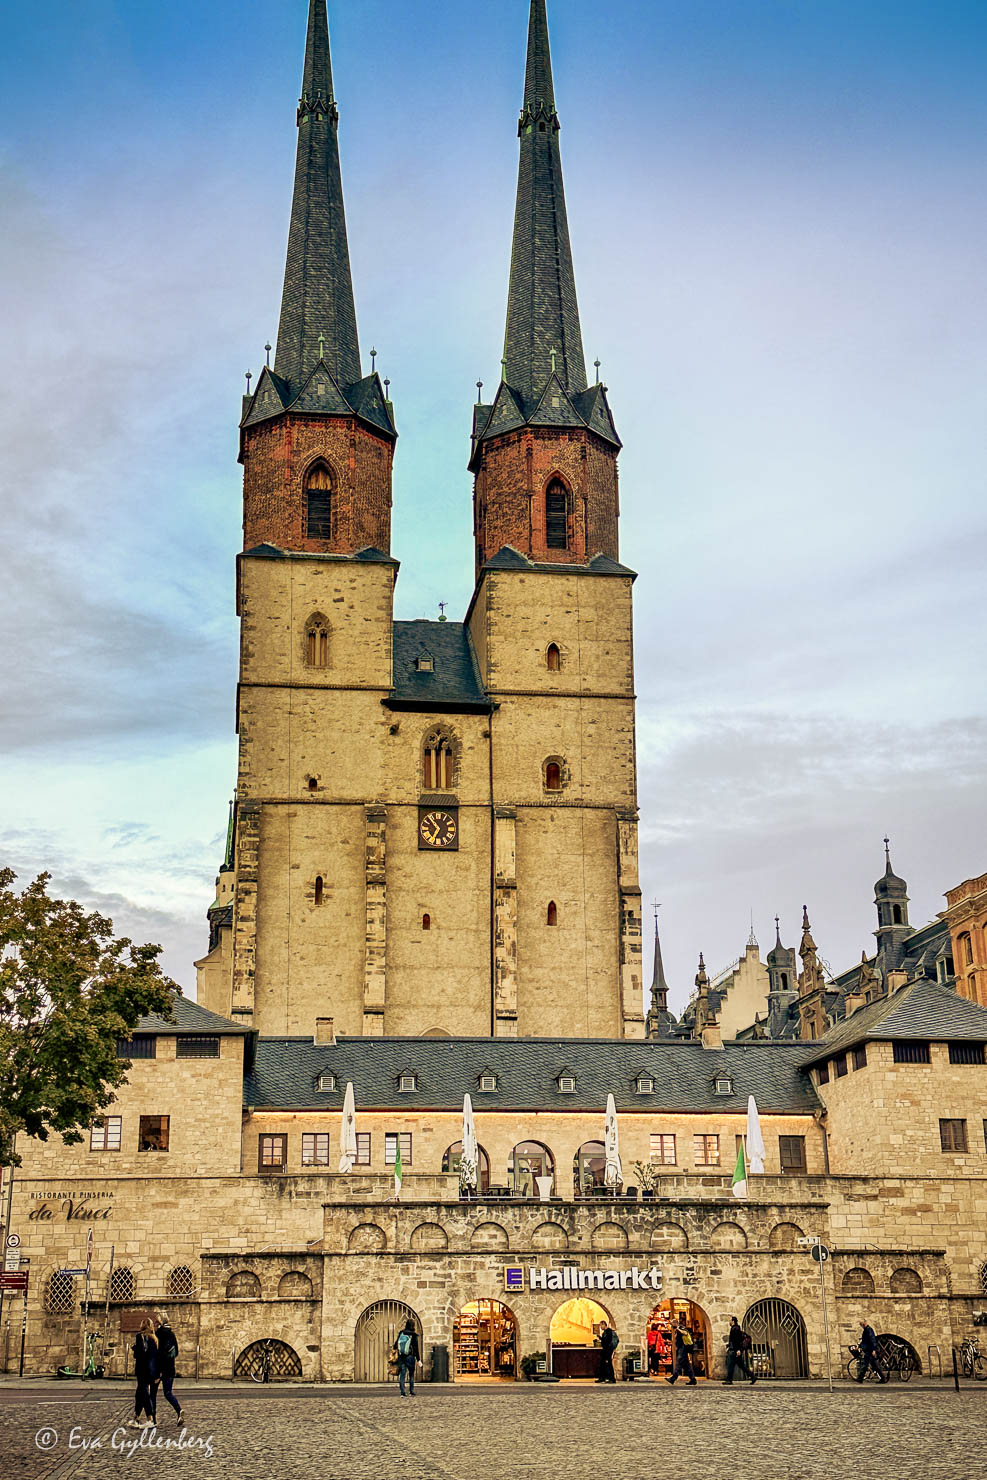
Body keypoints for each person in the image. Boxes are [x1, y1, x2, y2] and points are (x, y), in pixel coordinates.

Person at [129, 1318, 159, 1428]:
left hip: (142, 1369)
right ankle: (136, 1417)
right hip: (151, 1370)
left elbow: (139, 1354)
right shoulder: (154, 1338)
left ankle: (150, 1418)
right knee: (140, 1394)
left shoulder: (140, 1337)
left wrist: (135, 1349)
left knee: (144, 1393)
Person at [155, 1318, 183, 1424]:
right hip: (170, 1368)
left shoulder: (158, 1335)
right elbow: (175, 1352)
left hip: (158, 1369)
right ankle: (179, 1410)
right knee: (168, 1392)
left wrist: (159, 1371)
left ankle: (152, 1418)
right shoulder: (172, 1335)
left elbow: (158, 1353)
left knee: (152, 1394)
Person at [724, 1316, 756, 1385]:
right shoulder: (735, 1328)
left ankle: (729, 1380)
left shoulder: (735, 1329)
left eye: (730, 1321)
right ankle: (752, 1376)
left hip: (735, 1351)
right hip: (735, 1350)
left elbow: (737, 1340)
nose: (729, 1322)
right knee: (741, 1366)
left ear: (733, 1321)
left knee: (731, 1365)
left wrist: (738, 1350)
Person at [665, 1320, 697, 1385]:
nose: (671, 1326)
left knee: (678, 1363)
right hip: (681, 1348)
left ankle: (673, 1378)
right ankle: (693, 1379)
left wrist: (677, 1328)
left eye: (672, 1324)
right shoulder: (677, 1329)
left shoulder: (681, 1328)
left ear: (675, 1323)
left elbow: (685, 1333)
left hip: (683, 1348)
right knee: (687, 1365)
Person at [394, 1319, 420, 1397]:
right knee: (411, 1375)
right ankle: (411, 1391)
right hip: (410, 1357)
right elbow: (416, 1348)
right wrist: (418, 1359)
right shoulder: (413, 1335)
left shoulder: (401, 1333)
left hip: (402, 1357)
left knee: (402, 1374)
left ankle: (402, 1392)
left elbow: (395, 1345)